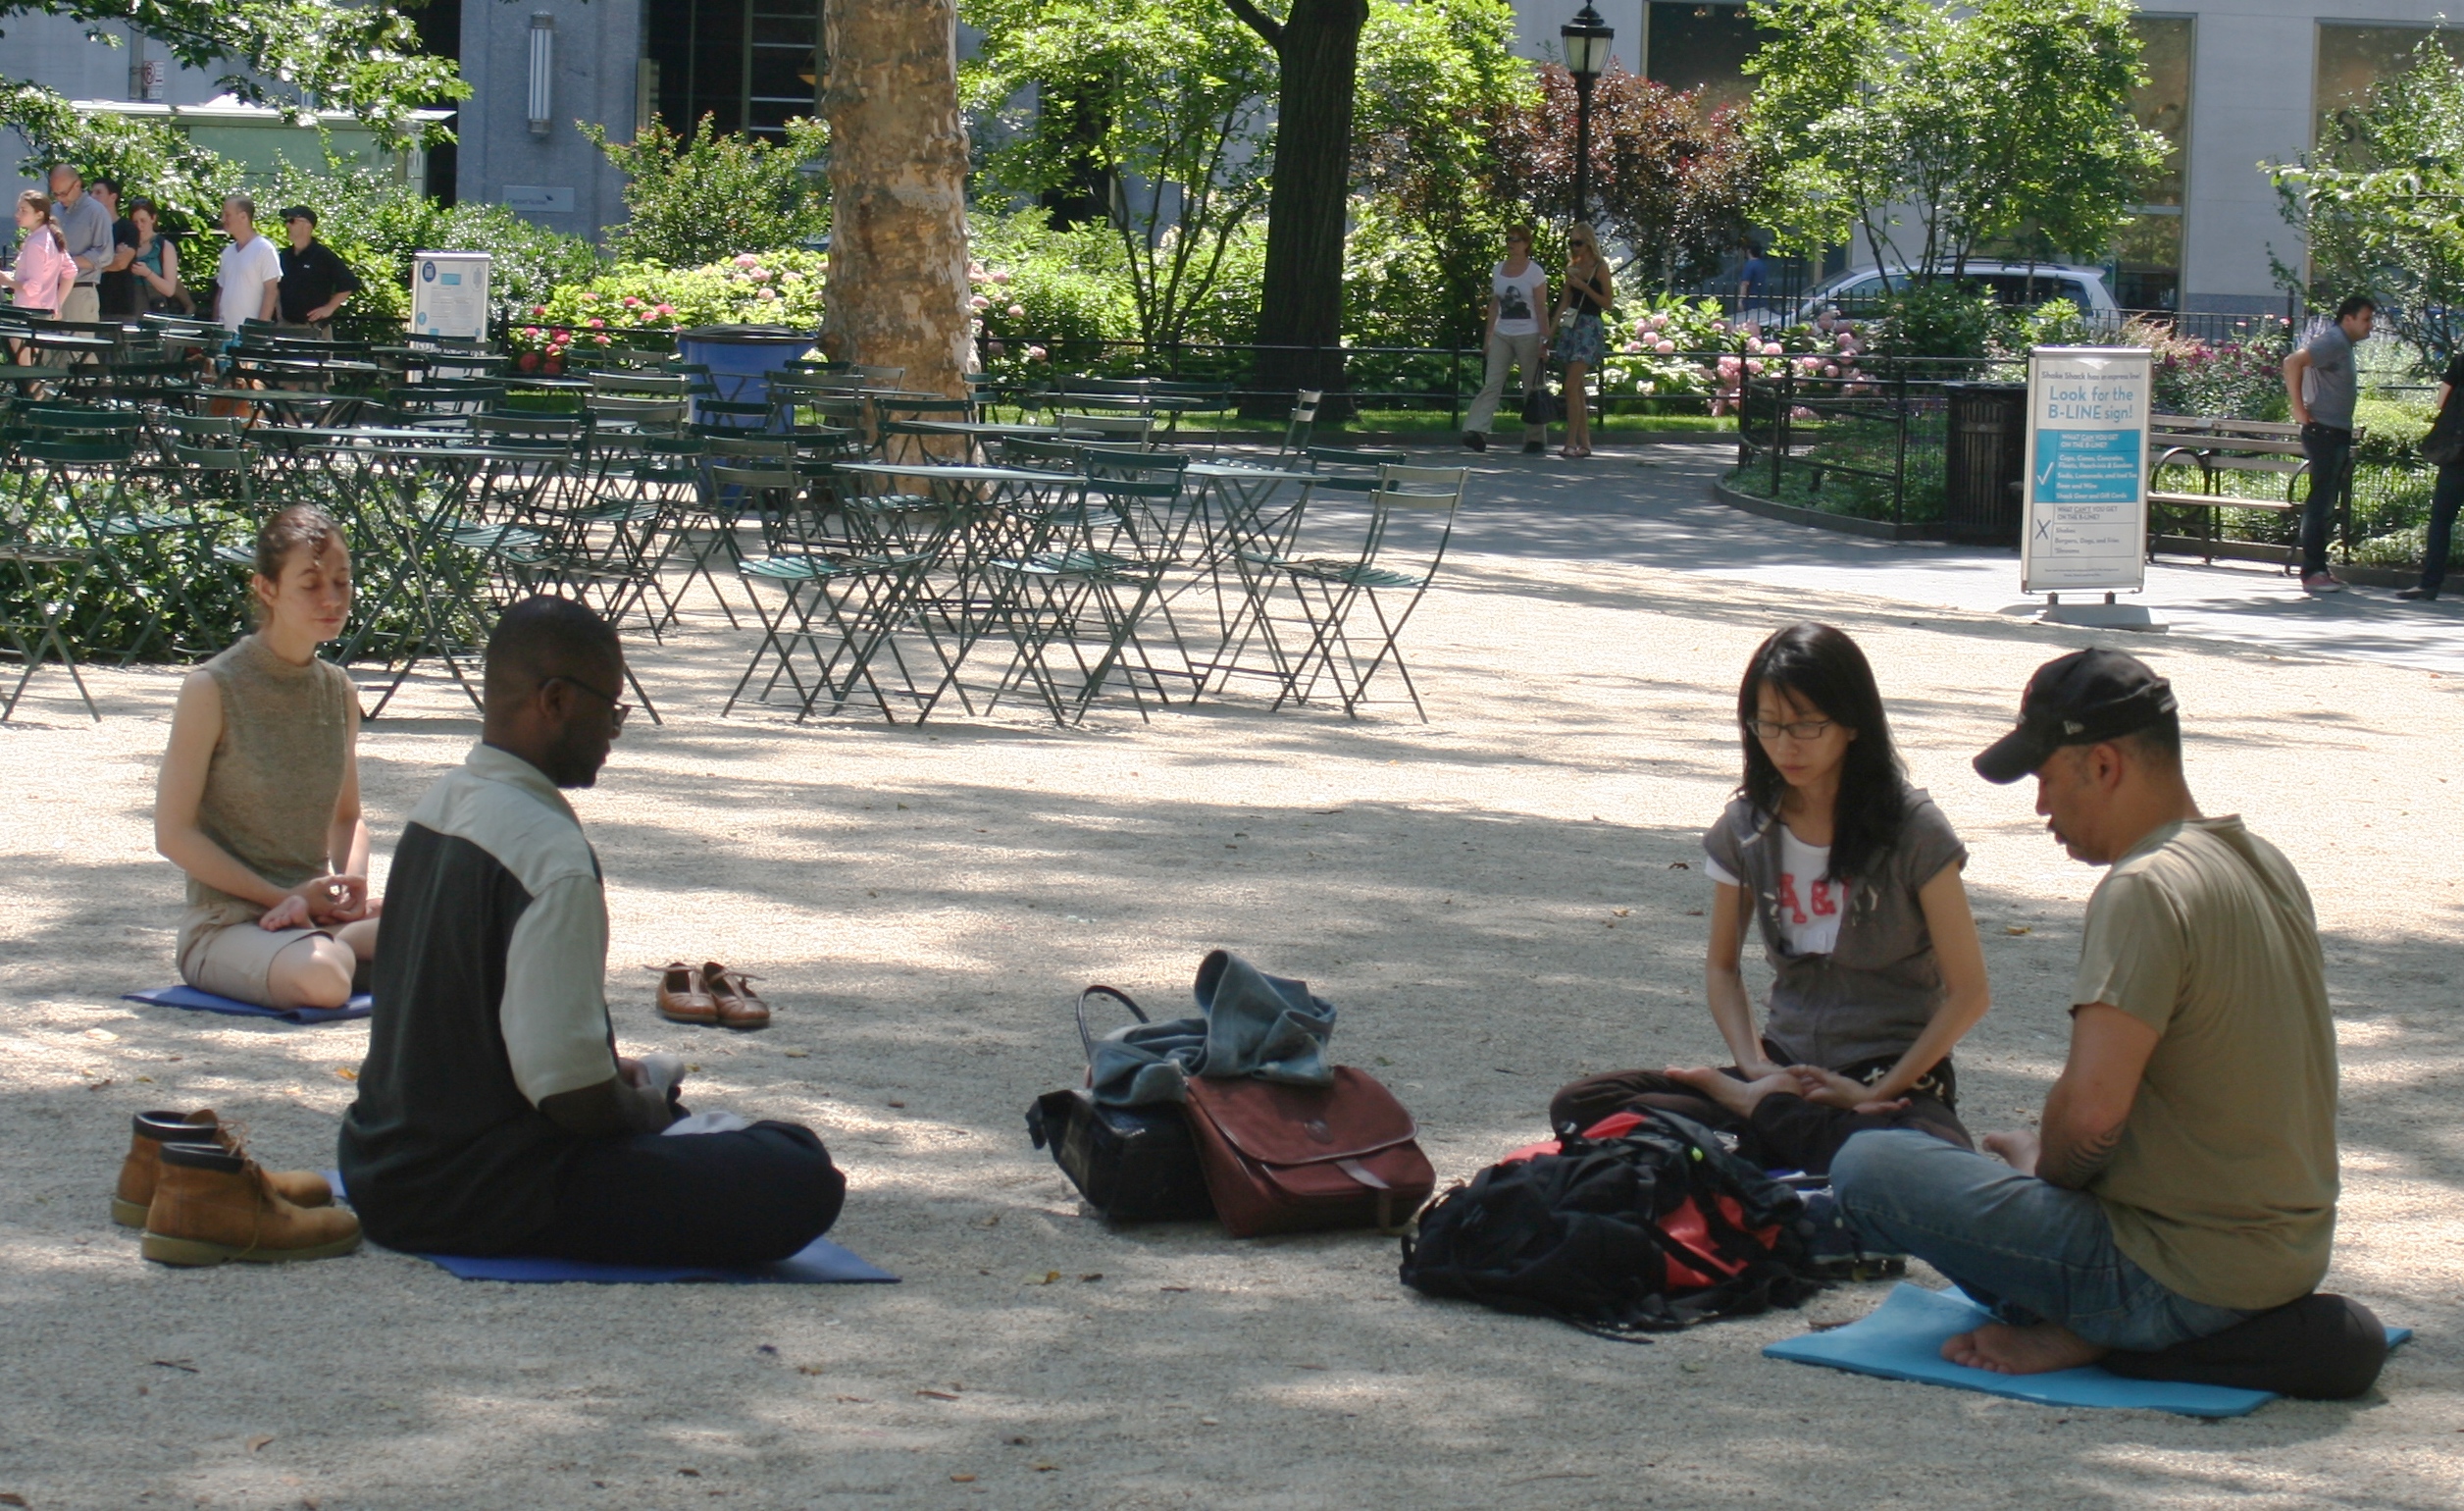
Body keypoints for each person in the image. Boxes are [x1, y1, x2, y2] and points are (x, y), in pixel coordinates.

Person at [1829, 650, 2337, 1375]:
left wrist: (2046, 1171)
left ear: (2102, 766)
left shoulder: (2145, 887)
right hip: (2287, 1260)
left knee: (1869, 1164)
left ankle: (2090, 1321)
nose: (2040, 807)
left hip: (2172, 1278)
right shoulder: (2261, 861)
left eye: (2044, 779)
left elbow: (2094, 1115)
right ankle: (2097, 1317)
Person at [338, 596, 847, 1262]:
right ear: (554, 701)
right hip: (474, 1191)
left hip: (378, 1163)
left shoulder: (439, 805)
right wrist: (645, 1109)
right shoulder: (549, 854)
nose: (614, 728)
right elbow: (569, 1098)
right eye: (610, 707)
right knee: (796, 1170)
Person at [1548, 623, 1991, 1174]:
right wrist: (1753, 1066)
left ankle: (1763, 1125)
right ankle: (1771, 1114)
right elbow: (1722, 967)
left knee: (1921, 1164)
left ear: (1853, 723)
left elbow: (1969, 993)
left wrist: (1872, 1092)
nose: (1786, 746)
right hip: (1782, 1064)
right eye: (1769, 726)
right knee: (1583, 1104)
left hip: (1890, 1076)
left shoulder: (1914, 830)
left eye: (1806, 725)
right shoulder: (1746, 826)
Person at [156, 506, 381, 1012]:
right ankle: (344, 953)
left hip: (314, 918)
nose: (331, 598)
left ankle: (343, 945)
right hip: (227, 925)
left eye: (342, 582)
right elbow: (173, 834)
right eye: (310, 583)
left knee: (465, 932)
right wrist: (281, 899)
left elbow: (347, 818)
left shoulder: (338, 690)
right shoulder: (212, 687)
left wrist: (351, 887)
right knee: (322, 976)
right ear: (267, 589)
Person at [2283, 294, 2376, 596]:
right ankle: (2312, 571)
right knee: (2320, 502)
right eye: (2365, 319)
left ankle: (2319, 567)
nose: (2370, 326)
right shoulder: (2334, 341)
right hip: (2322, 431)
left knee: (2324, 502)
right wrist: (2298, 408)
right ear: (2347, 318)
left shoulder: (2341, 345)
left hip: (2333, 430)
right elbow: (2293, 361)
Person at [1462, 223, 1551, 455]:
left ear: (1527, 244)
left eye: (1516, 240)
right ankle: (1476, 431)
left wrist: (1545, 339)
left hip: (1529, 334)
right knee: (1492, 383)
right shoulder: (1498, 269)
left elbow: (1541, 308)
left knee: (1531, 388)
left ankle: (1535, 439)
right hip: (1503, 332)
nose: (1511, 244)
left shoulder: (1535, 272)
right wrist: (1488, 337)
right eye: (1508, 239)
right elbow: (1494, 305)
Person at [2397, 346, 2464, 601]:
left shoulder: (2460, 362)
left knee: (2441, 521)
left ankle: (2429, 583)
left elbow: (2441, 401)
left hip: (2457, 458)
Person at [1553, 222, 1614, 460]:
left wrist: (1584, 288)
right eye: (1571, 243)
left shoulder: (1600, 267)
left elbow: (1607, 303)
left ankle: (1570, 442)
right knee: (1575, 389)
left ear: (1588, 243)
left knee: (1570, 386)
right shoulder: (1572, 267)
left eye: (1578, 243)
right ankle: (1585, 444)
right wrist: (1550, 332)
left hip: (1589, 326)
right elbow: (1565, 302)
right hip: (1572, 327)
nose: (1575, 248)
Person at [276, 206, 361, 338]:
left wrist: (329, 308)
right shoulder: (284, 256)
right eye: (285, 221)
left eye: (292, 221)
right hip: (284, 329)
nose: (287, 225)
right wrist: (280, 317)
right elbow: (274, 287)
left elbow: (349, 283)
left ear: (307, 226)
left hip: (314, 331)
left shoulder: (323, 255)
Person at [46, 165, 112, 327]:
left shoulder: (96, 211)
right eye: (55, 194)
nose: (60, 198)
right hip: (50, 291)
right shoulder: (53, 211)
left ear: (77, 185)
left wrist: (67, 263)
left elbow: (105, 254)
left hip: (80, 290)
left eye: (63, 193)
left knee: (78, 350)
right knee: (46, 349)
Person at [214, 194, 282, 334]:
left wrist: (258, 331)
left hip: (248, 335)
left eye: (227, 215)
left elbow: (271, 292)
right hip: (224, 333)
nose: (223, 220)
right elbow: (221, 292)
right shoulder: (228, 252)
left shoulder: (264, 249)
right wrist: (215, 326)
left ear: (243, 217)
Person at [3, 190, 77, 319]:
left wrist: (7, 281)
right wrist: (57, 304)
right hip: (45, 313)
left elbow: (33, 288)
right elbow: (71, 271)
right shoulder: (51, 236)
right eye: (18, 209)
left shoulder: (36, 243)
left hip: (28, 314)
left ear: (39, 215)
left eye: (23, 211)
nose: (17, 214)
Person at [91, 176, 143, 318]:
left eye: (98, 192)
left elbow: (121, 262)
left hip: (119, 304)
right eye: (91, 193)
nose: (92, 196)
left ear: (112, 197)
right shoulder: (89, 229)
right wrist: (110, 258)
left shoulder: (128, 228)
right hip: (91, 302)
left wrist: (92, 267)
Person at [124, 199, 185, 315]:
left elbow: (169, 290)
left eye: (143, 221)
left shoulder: (164, 247)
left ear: (153, 218)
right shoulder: (125, 245)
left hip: (154, 309)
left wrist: (147, 273)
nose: (139, 226)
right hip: (128, 307)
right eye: (135, 222)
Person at [1736, 236, 1770, 327]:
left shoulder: (1750, 265)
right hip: (1761, 299)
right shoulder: (1762, 265)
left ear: (1748, 251)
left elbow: (1745, 283)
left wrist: (1741, 300)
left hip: (1751, 300)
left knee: (1748, 324)